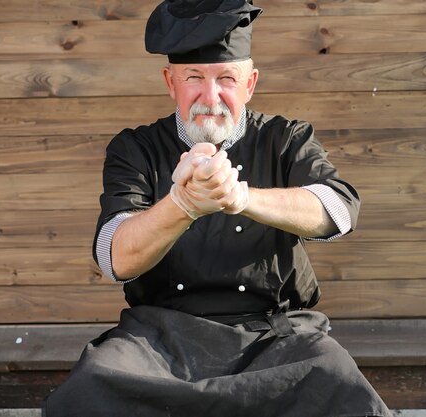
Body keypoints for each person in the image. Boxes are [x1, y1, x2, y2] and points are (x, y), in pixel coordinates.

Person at [43, 0, 393, 416]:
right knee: (90, 387)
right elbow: (114, 257)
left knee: (336, 382)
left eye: (227, 79)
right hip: (158, 340)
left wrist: (243, 198)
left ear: (250, 84)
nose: (211, 97)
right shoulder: (135, 149)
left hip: (273, 336)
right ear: (171, 83)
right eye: (194, 78)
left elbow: (337, 211)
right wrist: (182, 204)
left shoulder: (286, 138)